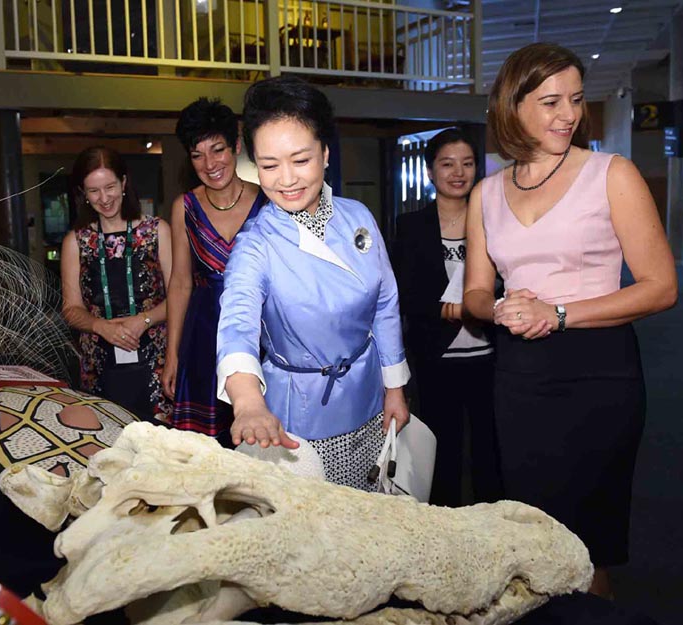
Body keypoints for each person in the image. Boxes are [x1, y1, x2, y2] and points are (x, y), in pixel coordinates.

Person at [463, 43, 677, 597]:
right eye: (551, 102)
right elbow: (476, 295)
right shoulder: (485, 193)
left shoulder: (612, 173)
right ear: (513, 106)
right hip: (519, 376)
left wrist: (557, 314)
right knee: (535, 537)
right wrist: (502, 308)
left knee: (588, 547)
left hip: (599, 372)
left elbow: (661, 287)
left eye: (577, 100)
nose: (569, 115)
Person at [215, 76, 410, 490]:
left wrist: (394, 388)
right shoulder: (255, 245)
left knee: (373, 511)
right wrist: (248, 403)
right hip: (302, 419)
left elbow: (385, 303)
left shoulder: (357, 216)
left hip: (370, 397)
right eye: (269, 165)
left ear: (324, 153)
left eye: (300, 160)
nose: (286, 179)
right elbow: (236, 325)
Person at [392, 127, 502, 507]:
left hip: (491, 357)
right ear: (430, 171)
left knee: (492, 452)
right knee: (442, 453)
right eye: (447, 164)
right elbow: (403, 293)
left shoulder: (494, 221)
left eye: (467, 164)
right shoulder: (411, 226)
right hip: (436, 357)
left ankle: (495, 525)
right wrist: (453, 309)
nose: (458, 173)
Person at [162, 98, 265, 445]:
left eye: (217, 149)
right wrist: (172, 355)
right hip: (203, 336)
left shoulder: (269, 202)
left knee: (259, 441)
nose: (209, 164)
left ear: (236, 146)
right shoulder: (185, 207)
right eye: (197, 155)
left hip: (260, 332)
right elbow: (180, 284)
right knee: (206, 452)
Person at [61, 146, 172, 422]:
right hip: (98, 363)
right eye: (94, 191)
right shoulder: (76, 241)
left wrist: (143, 320)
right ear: (83, 194)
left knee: (160, 442)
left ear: (123, 183)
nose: (104, 198)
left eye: (109, 187)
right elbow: (71, 309)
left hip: (157, 360)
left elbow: (179, 297)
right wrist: (101, 326)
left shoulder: (157, 231)